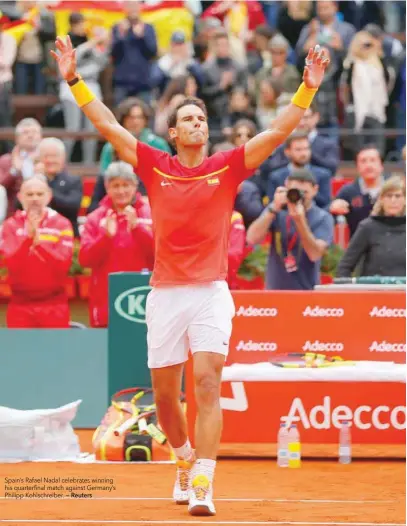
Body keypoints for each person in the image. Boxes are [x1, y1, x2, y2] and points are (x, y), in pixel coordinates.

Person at [51, 35, 329, 516]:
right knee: (164, 397)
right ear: (175, 134)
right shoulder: (155, 166)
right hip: (164, 294)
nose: (197, 123)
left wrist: (306, 90)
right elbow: (107, 123)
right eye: (187, 120)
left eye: (201, 118)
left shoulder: (228, 166)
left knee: (206, 382)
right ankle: (181, 461)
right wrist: (74, 79)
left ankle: (203, 479)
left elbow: (277, 134)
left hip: (211, 293)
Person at [79, 162, 154, 328]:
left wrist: (138, 229)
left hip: (146, 298)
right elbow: (85, 259)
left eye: (126, 185)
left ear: (135, 185)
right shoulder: (95, 218)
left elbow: (162, 256)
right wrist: (105, 237)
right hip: (106, 300)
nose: (121, 191)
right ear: (107, 188)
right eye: (116, 186)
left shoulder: (152, 214)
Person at [0, 177, 73, 328]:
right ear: (20, 197)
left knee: (55, 352)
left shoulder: (62, 223)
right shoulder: (10, 225)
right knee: (20, 352)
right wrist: (28, 241)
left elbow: (63, 264)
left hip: (54, 304)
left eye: (39, 194)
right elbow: (11, 263)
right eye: (30, 194)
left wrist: (39, 245)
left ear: (49, 196)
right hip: (20, 305)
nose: (35, 199)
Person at [247, 170, 334, 290]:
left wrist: (300, 221)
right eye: (295, 191)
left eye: (304, 193)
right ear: (286, 187)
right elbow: (252, 238)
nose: (298, 197)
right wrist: (273, 207)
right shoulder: (277, 211)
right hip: (275, 291)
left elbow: (314, 254)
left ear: (315, 190)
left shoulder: (322, 217)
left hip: (307, 292)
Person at [336, 176, 406, 278]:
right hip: (374, 291)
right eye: (388, 196)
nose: (393, 200)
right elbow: (345, 266)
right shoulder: (367, 227)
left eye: (398, 196)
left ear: (405, 200)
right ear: (381, 199)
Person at [330, 145, 385, 237]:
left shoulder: (394, 189)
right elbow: (331, 218)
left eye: (373, 160)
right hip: (359, 246)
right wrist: (333, 208)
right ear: (357, 167)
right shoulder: (347, 192)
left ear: (381, 165)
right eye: (363, 161)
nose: (368, 165)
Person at [0, 118, 42, 218]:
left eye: (34, 132)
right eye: (26, 132)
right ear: (17, 138)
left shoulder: (50, 157)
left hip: (44, 210)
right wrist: (14, 170)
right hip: (13, 212)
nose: (30, 135)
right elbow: (1, 186)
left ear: (41, 136)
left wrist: (45, 175)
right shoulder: (5, 160)